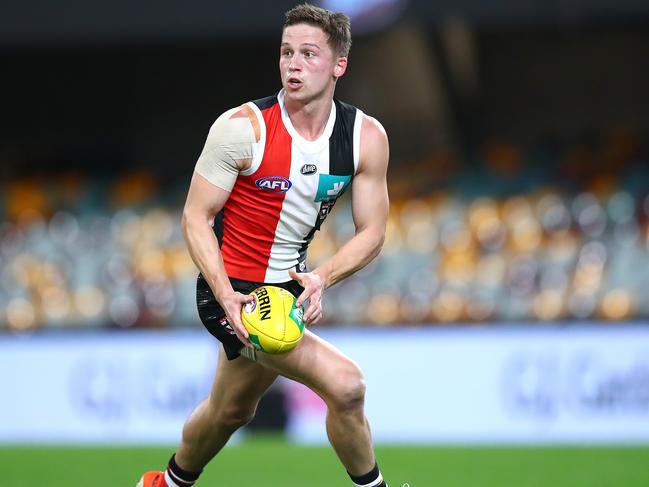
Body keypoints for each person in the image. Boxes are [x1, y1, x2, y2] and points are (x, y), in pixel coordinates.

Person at [137, 3, 390, 487]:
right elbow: (196, 215)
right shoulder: (242, 129)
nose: (293, 64)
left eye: (309, 54)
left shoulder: (365, 137)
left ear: (339, 65)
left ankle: (165, 482)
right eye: (286, 52)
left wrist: (322, 277)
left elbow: (373, 231)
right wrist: (225, 294)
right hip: (232, 291)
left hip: (287, 292)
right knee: (348, 386)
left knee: (230, 410)